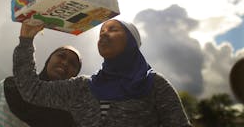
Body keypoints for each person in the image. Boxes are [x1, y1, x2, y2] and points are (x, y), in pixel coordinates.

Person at [13, 19, 193, 126]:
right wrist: (26, 40)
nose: (104, 34)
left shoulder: (155, 85)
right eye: (101, 32)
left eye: (113, 29)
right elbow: (31, 90)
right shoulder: (82, 87)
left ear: (131, 41)